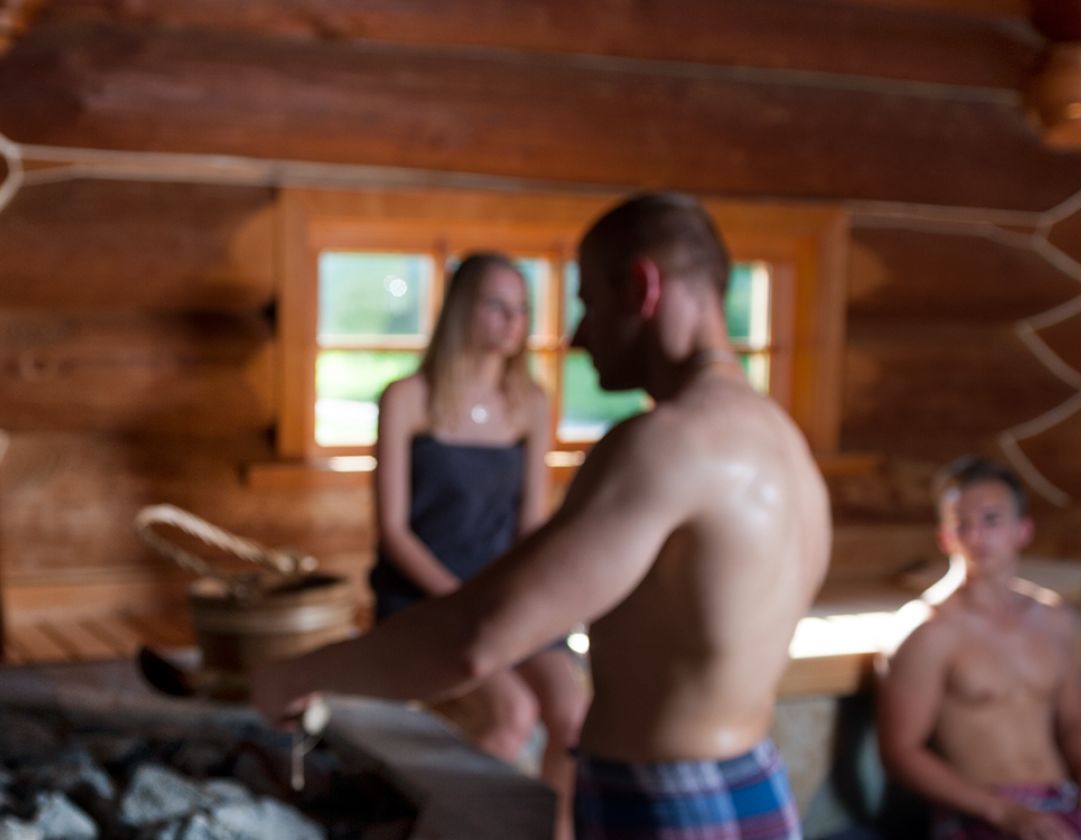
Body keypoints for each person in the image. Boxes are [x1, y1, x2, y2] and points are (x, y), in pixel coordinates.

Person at [254, 193, 832, 839]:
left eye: (587, 301)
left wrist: (298, 674)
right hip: (757, 789)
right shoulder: (784, 442)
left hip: (666, 805)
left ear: (641, 287)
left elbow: (476, 639)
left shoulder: (668, 443)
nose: (578, 334)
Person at [370, 251, 589, 839]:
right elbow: (394, 532)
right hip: (426, 595)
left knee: (572, 716)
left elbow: (532, 524)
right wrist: (464, 600)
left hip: (505, 593)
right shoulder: (407, 398)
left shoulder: (531, 404)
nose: (512, 321)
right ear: (463, 307)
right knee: (512, 713)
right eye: (497, 305)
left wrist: (542, 596)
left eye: (521, 309)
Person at [877, 458, 1081, 840]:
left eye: (991, 520)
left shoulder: (1053, 617)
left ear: (1023, 531)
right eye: (962, 523)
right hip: (979, 812)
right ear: (945, 537)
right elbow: (900, 753)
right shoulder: (927, 630)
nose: (977, 535)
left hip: (1062, 803)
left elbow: (1076, 720)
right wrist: (1003, 812)